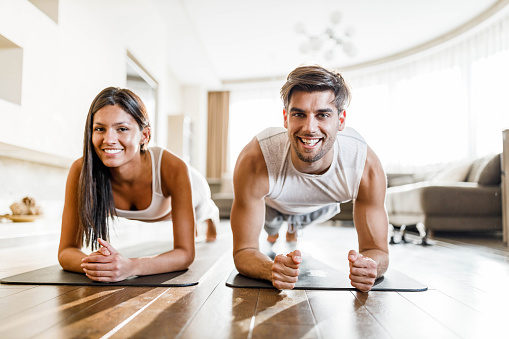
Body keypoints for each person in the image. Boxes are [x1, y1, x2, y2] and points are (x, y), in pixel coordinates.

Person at [231, 65, 389, 292]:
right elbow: (243, 251)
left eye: (323, 115)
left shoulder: (364, 165)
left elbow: (378, 250)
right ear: (286, 118)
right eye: (299, 114)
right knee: (272, 228)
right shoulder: (257, 157)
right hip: (273, 206)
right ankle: (278, 230)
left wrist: (370, 266)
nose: (309, 127)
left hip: (320, 206)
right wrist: (270, 269)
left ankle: (295, 226)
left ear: (341, 120)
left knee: (305, 218)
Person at [58, 87, 220, 282]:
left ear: (145, 136)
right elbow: (66, 251)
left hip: (196, 189)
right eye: (100, 129)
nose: (109, 139)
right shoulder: (81, 171)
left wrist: (131, 266)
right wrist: (99, 266)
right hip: (163, 203)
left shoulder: (173, 167)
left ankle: (213, 219)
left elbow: (185, 254)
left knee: (205, 211)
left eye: (122, 129)